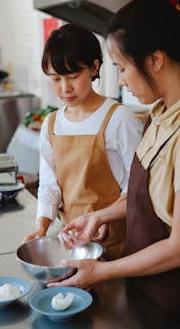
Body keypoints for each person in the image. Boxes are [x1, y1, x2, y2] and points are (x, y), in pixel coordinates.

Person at [48, 0, 180, 321]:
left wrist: (102, 272)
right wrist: (99, 216)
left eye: (121, 67)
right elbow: (145, 199)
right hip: (145, 286)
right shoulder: (159, 117)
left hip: (172, 298)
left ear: (154, 59)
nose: (120, 81)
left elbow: (177, 247)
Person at [22, 23, 143, 260]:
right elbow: (49, 184)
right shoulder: (52, 123)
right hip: (72, 239)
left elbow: (139, 186)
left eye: (73, 77)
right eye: (55, 79)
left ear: (94, 67)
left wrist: (105, 217)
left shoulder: (119, 118)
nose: (65, 88)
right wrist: (42, 226)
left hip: (117, 240)